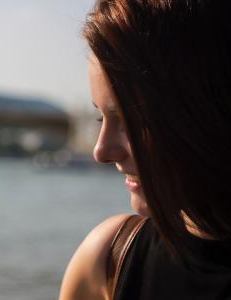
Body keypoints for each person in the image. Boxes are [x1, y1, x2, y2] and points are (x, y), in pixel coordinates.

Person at [59, 0, 231, 299]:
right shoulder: (106, 262)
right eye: (101, 117)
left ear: (207, 109)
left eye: (133, 120)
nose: (101, 151)